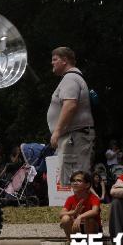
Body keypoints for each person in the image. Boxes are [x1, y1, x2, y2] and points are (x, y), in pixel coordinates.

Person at [46, 47, 95, 185]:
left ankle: (82, 206)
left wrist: (57, 131)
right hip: (74, 136)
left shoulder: (70, 78)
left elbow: (70, 105)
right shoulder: (72, 78)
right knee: (77, 178)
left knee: (76, 178)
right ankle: (80, 205)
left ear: (65, 60)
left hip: (75, 137)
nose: (52, 63)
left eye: (55, 59)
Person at [60, 171, 102, 240]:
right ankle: (73, 244)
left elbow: (95, 211)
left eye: (79, 181)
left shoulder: (93, 198)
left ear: (87, 185)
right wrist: (74, 212)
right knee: (65, 219)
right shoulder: (70, 199)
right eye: (73, 181)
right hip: (77, 228)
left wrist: (80, 217)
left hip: (92, 229)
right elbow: (61, 214)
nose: (75, 183)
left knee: (89, 219)